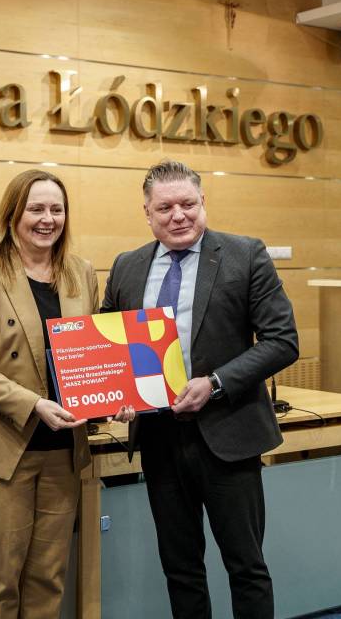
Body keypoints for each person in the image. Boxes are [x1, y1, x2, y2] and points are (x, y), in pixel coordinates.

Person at [101, 159, 299, 619]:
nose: (179, 216)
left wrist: (215, 383)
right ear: (147, 213)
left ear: (203, 202)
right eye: (165, 207)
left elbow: (283, 340)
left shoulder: (245, 254)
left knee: (246, 567)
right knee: (180, 568)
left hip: (228, 434)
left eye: (188, 204)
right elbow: (110, 345)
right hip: (159, 440)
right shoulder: (127, 266)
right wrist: (117, 393)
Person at [0, 169, 134, 619]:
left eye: (56, 209)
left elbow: (90, 359)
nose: (47, 219)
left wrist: (114, 399)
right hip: (1, 454)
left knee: (48, 584)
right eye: (36, 209)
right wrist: (32, 404)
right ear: (13, 214)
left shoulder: (80, 273)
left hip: (63, 452)